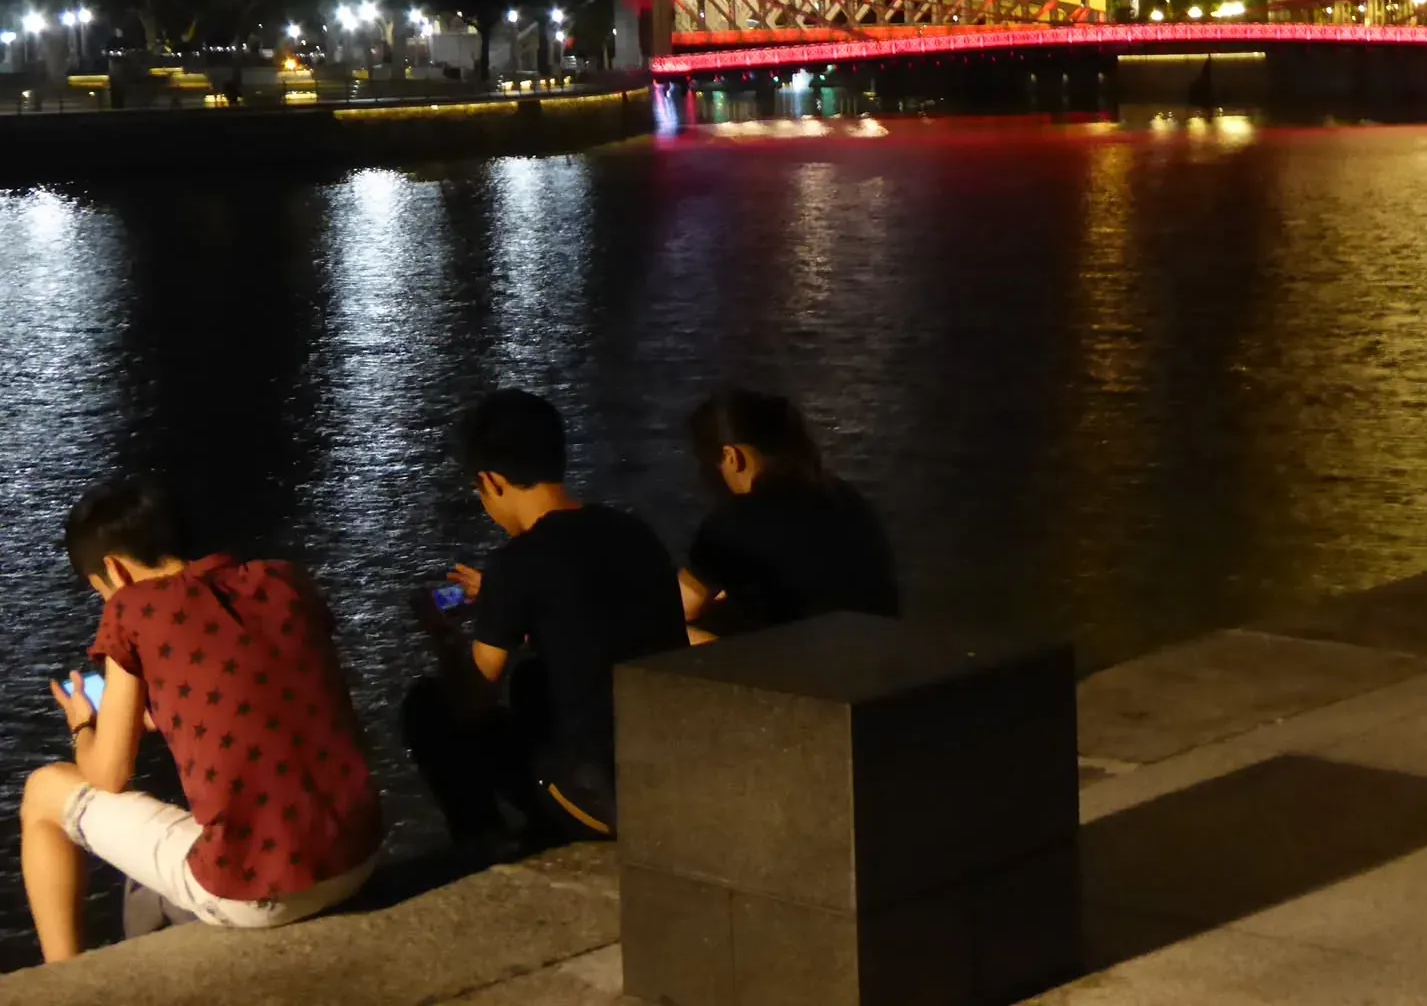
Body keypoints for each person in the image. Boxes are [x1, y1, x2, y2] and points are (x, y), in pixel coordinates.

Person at [19, 477, 383, 964]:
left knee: (43, 793)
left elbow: (109, 775)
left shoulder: (131, 610)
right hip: (359, 858)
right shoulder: (282, 579)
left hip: (257, 893)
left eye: (99, 592)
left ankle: (60, 979)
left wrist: (85, 727)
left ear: (113, 571)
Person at [404, 389, 685, 851]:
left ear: (492, 483)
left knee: (428, 708)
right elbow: (587, 617)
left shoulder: (518, 561)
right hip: (668, 779)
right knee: (534, 678)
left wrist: (443, 635)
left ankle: (482, 841)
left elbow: (472, 701)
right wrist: (502, 599)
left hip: (600, 800)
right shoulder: (634, 533)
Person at [681, 390, 899, 640]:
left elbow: (676, 608)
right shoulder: (844, 496)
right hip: (880, 653)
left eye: (706, 462)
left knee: (670, 632)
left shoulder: (737, 518)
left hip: (806, 669)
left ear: (732, 457)